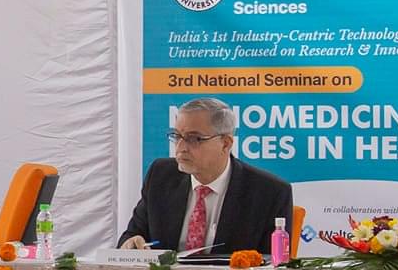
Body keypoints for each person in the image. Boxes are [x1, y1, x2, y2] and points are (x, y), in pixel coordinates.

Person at [119, 98, 292, 255]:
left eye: (194, 139)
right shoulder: (160, 175)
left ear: (225, 144)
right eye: (177, 136)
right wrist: (131, 243)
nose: (180, 148)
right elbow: (133, 235)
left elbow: (273, 266)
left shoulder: (270, 192)